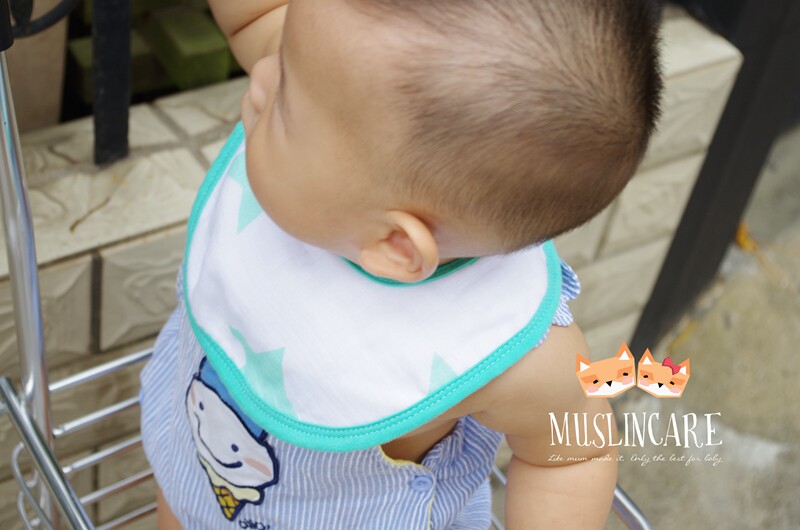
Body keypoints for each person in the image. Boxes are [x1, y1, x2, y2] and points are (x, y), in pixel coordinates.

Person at [139, 0, 662, 528]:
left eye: (285, 107)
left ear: (395, 245)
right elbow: (257, 16)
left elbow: (574, 455)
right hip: (191, 464)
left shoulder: (514, 355)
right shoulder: (336, 85)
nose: (262, 76)